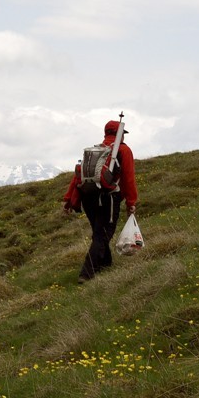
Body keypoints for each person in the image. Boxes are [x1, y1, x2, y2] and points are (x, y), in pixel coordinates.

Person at [63, 118, 139, 283]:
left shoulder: (95, 150)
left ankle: (105, 265)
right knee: (103, 235)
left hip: (87, 197)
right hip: (109, 198)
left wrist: (69, 200)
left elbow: (76, 178)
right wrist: (131, 203)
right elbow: (129, 179)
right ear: (121, 135)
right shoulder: (123, 150)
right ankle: (87, 273)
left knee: (99, 233)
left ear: (106, 133)